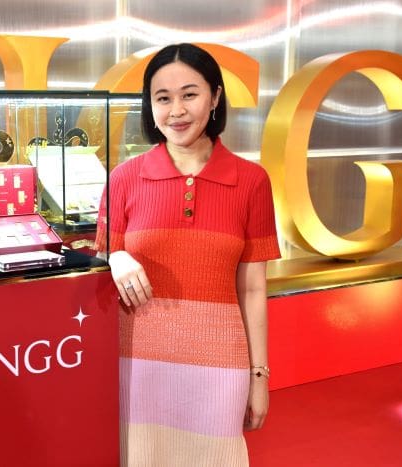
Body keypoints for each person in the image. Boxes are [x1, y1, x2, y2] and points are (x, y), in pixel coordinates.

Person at [95, 43, 280, 466]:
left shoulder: (252, 181)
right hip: (137, 362)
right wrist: (114, 258)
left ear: (215, 98)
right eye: (163, 98)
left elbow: (253, 289)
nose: (176, 111)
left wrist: (259, 375)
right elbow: (101, 266)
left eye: (189, 94)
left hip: (219, 362)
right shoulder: (124, 179)